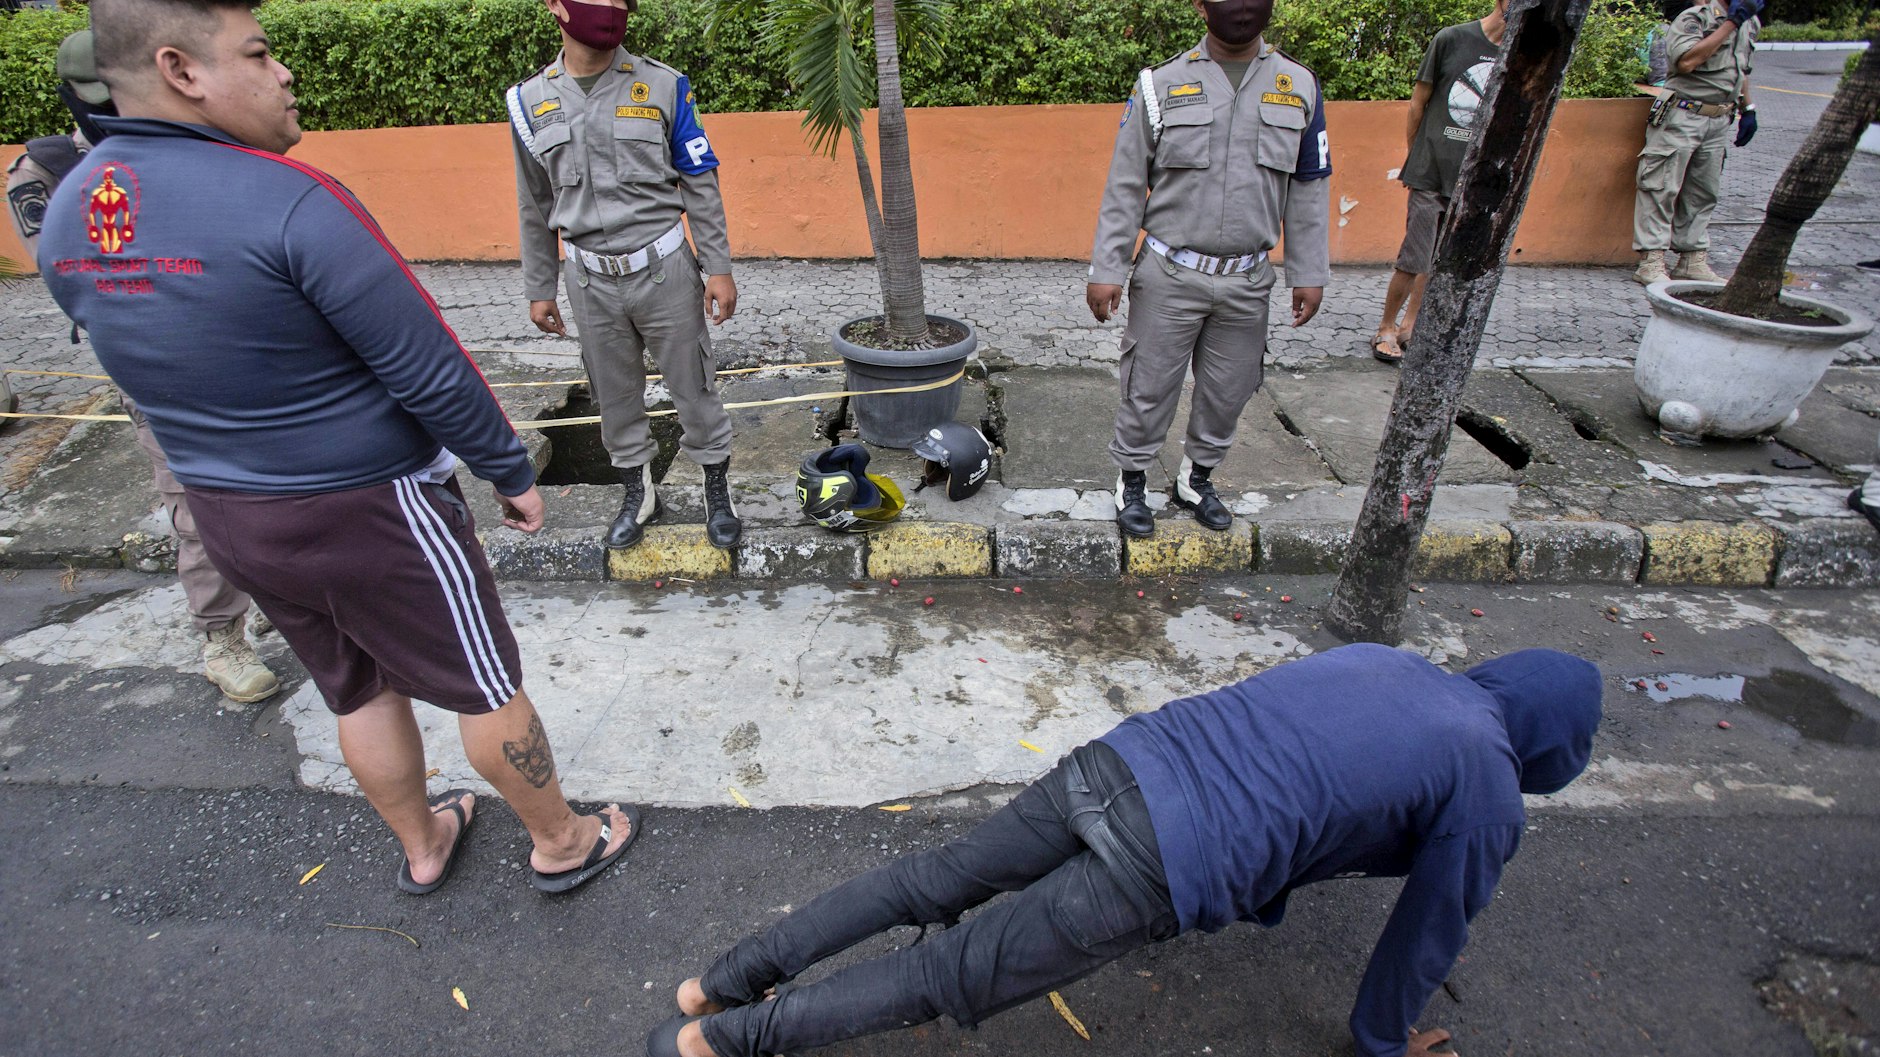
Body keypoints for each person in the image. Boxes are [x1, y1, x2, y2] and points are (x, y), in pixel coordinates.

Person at [38, 0, 637, 896]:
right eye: (260, 51)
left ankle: (425, 843)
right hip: (367, 505)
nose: (285, 73)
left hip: (228, 515)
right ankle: (562, 838)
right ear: (181, 70)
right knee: (483, 680)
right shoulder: (290, 198)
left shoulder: (71, 211)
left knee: (354, 685)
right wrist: (508, 471)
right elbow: (427, 363)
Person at [650, 644, 1603, 1057]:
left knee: (924, 882)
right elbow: (1424, 935)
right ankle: (718, 1042)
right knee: (945, 975)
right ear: (1552, 750)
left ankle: (716, 983)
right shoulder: (1486, 784)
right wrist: (1383, 1041)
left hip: (1122, 758)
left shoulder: (1400, 664)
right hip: (1165, 855)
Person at [6, 29, 278, 705]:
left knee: (276, 489)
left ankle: (281, 595)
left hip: (242, 354)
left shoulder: (200, 149)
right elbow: (71, 270)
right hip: (152, 370)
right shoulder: (49, 173)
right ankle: (222, 634)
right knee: (196, 505)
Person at [1086, 0, 1331, 539]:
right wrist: (1107, 267)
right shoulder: (1160, 84)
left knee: (1229, 389)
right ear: (1200, 5)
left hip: (1248, 280)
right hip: (1170, 272)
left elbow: (1309, 188)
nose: (1242, 6)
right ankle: (1131, 481)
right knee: (1148, 385)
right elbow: (1126, 184)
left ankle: (1197, 479)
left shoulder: (1299, 86)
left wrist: (1309, 272)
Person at [509, 0, 741, 552]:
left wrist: (719, 267)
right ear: (555, 6)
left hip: (663, 269)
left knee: (694, 385)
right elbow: (534, 203)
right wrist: (540, 286)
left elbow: (699, 180)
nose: (611, 9)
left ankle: (716, 489)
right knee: (613, 396)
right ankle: (639, 492)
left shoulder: (663, 85)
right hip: (587, 281)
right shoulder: (529, 101)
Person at [1370, 0, 1507, 365]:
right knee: (1415, 254)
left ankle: (1411, 326)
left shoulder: (1516, 54)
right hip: (1431, 171)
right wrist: (1415, 157)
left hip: (1473, 178)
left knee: (1438, 258)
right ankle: (1386, 326)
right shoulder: (1453, 39)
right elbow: (1418, 102)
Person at [1631, 0, 1761, 285]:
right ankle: (1651, 261)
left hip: (1718, 118)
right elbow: (1686, 62)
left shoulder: (1750, 23)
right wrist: (1730, 25)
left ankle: (1691, 259)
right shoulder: (1696, 20)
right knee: (1660, 185)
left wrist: (1748, 108)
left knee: (1704, 191)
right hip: (1682, 114)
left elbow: (1742, 69)